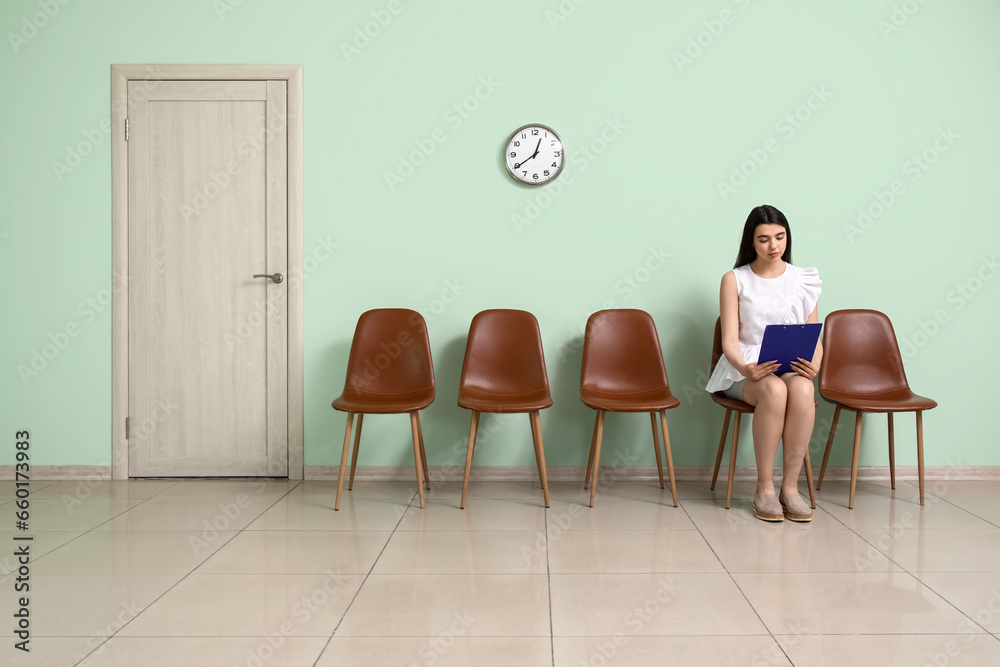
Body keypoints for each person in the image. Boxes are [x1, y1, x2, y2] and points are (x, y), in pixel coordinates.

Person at [705, 204, 822, 523]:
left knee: (800, 388)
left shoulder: (803, 279)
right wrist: (746, 369)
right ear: (750, 242)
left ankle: (790, 489)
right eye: (764, 239)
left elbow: (814, 335)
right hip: (744, 371)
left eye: (780, 237)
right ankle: (764, 489)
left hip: (788, 368)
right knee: (772, 389)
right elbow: (730, 341)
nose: (774, 246)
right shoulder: (735, 279)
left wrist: (815, 366)